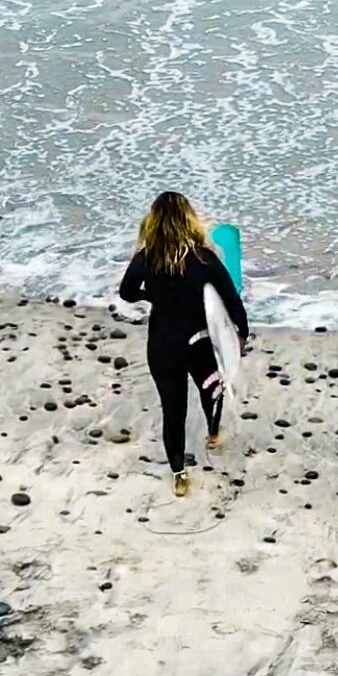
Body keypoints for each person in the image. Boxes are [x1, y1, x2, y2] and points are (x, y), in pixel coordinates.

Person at [119, 192, 249, 497]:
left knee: (172, 411)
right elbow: (232, 300)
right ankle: (214, 434)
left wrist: (151, 296)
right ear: (189, 219)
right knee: (210, 389)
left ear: (154, 222)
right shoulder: (204, 259)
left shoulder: (145, 258)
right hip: (197, 344)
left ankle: (179, 474)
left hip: (162, 348)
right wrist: (241, 334)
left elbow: (126, 292)